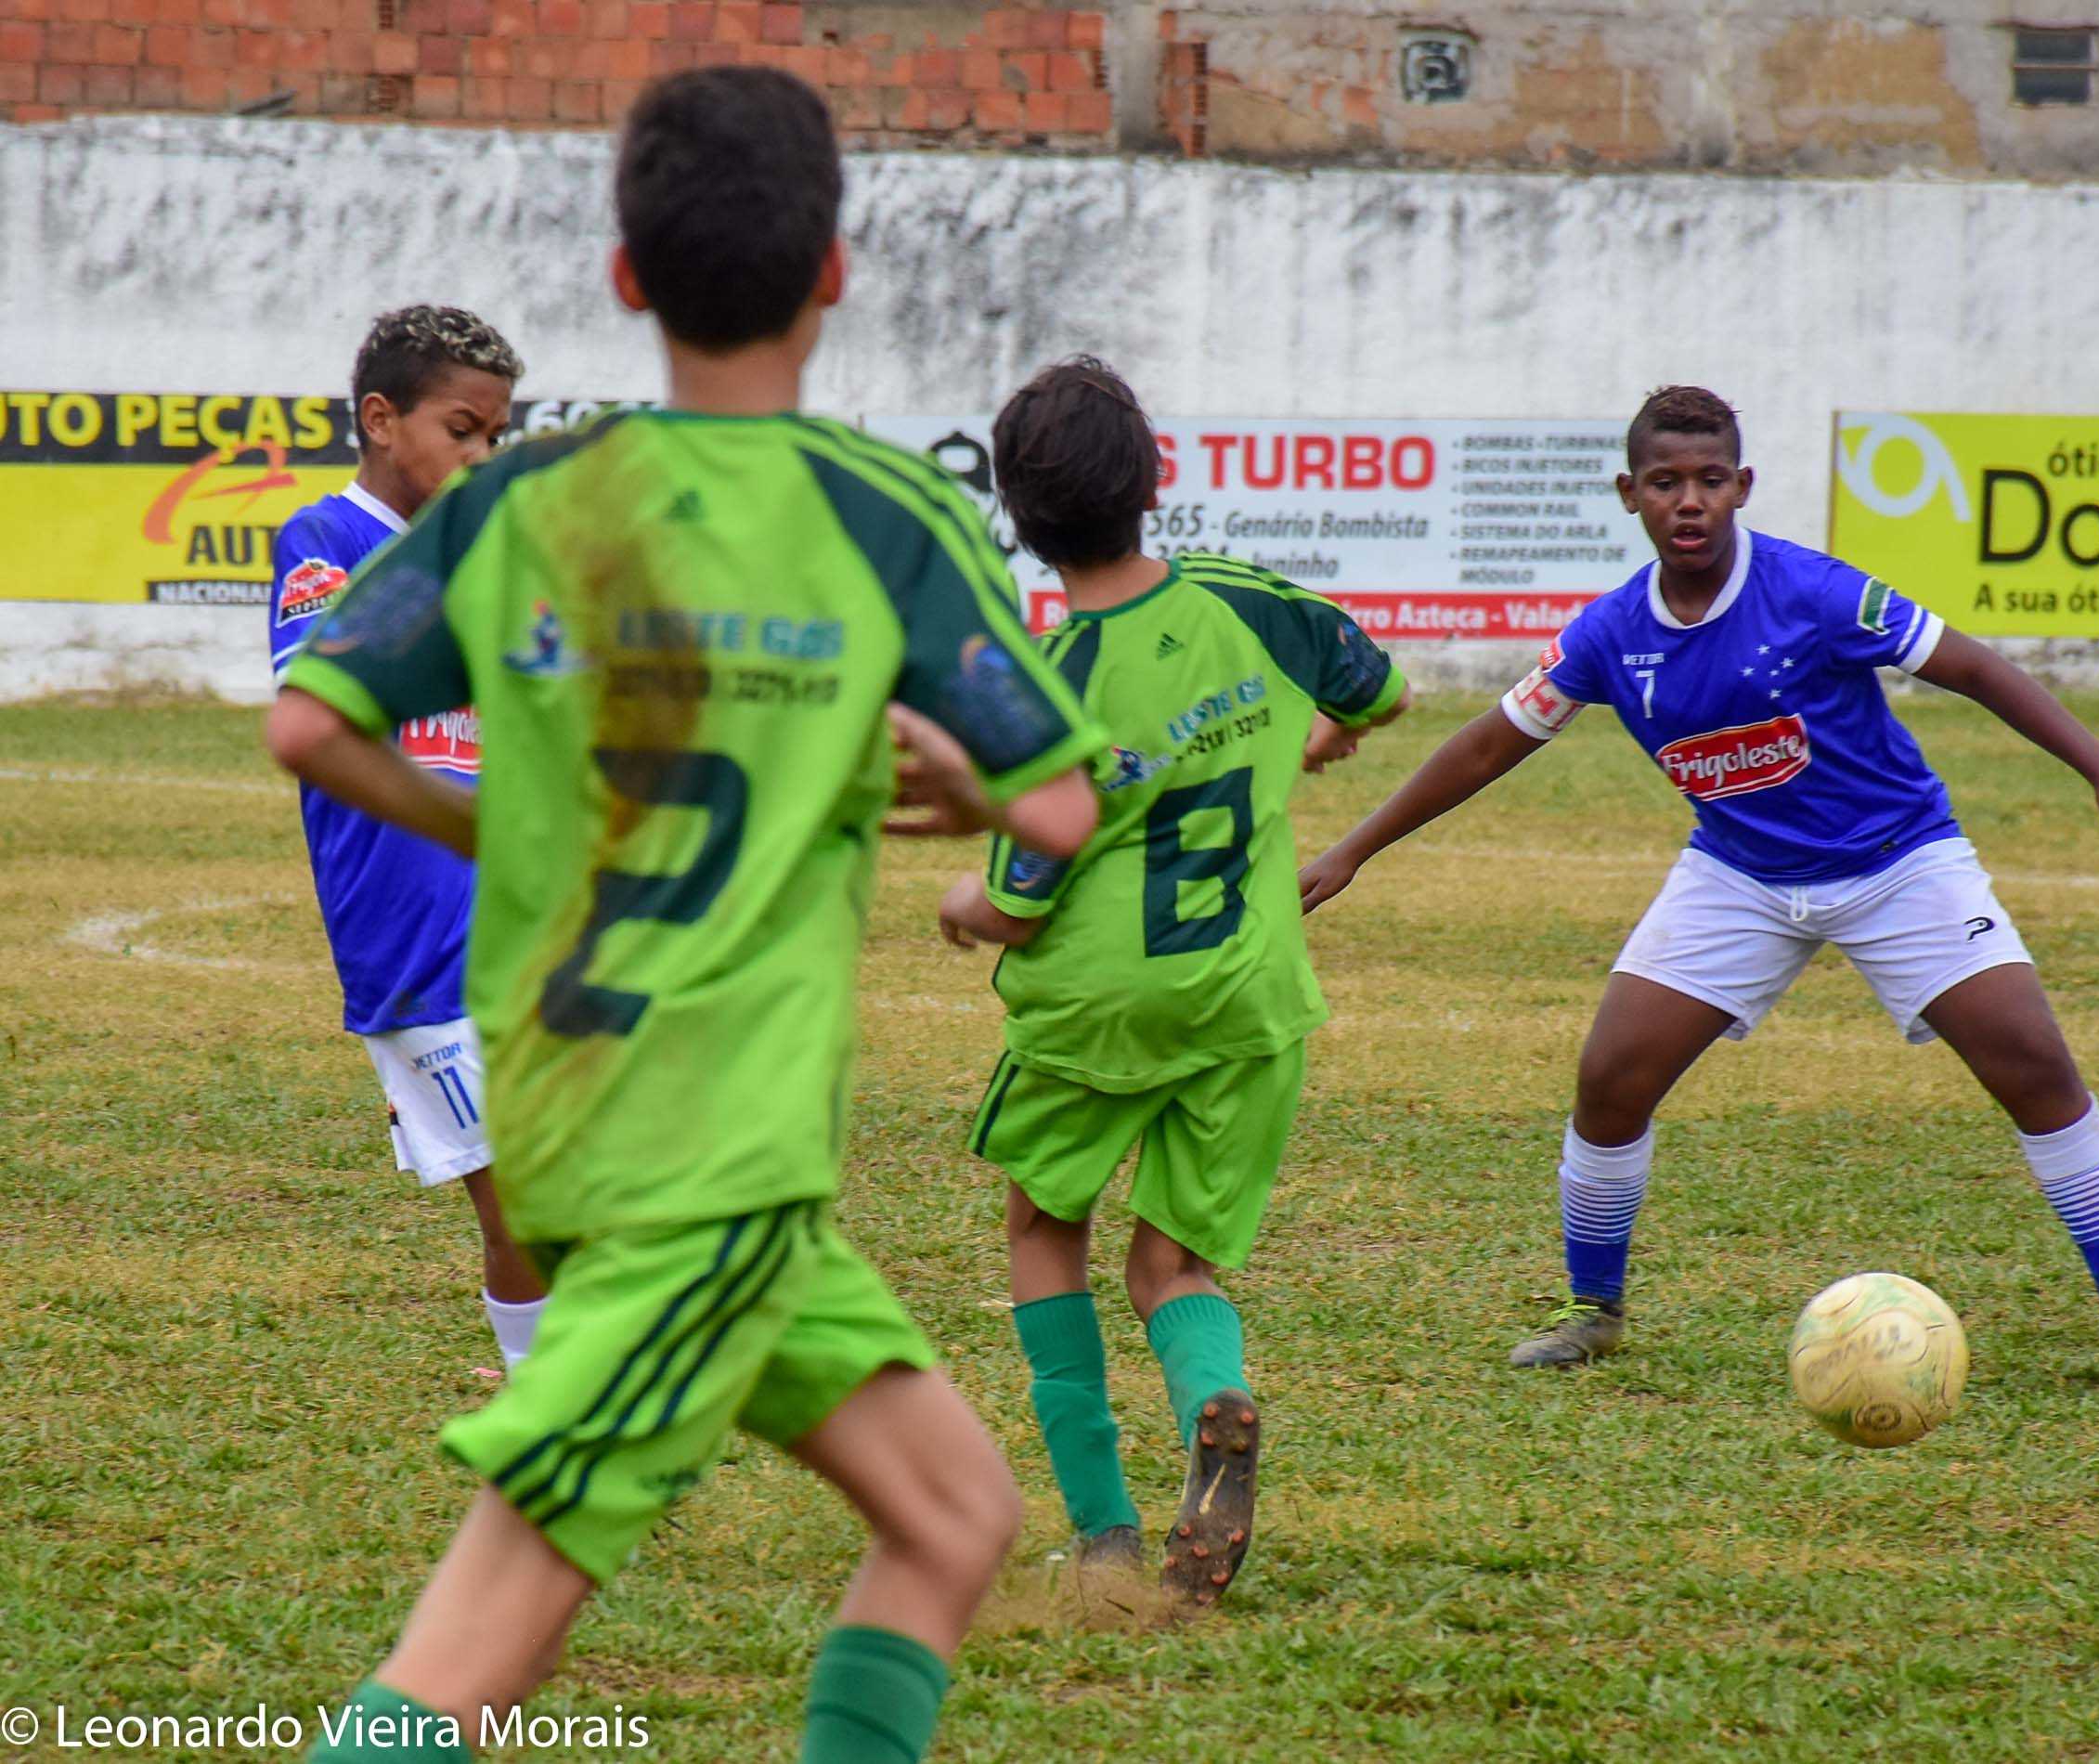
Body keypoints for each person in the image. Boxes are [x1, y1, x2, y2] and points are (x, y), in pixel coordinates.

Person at [266, 68, 1107, 1763]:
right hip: (698, 1149)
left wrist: (492, 821)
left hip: (624, 1115)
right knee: (468, 1658)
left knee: (953, 1517)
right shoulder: (885, 514)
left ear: (626, 278)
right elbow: (1058, 807)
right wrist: (925, 771)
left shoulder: (520, 502)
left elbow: (308, 722)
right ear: (838, 273)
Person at [1302, 385, 2099, 1382]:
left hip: (1898, 861)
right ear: (1628, 495)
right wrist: (1354, 849)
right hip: (1739, 875)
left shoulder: (1815, 592)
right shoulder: (1609, 635)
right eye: (1664, 483)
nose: (1687, 501)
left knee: (2036, 1067)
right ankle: (1591, 1308)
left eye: (1707, 480)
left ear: (1742, 487)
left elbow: (1974, 667)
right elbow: (1487, 746)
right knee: (1611, 1080)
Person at [941, 357, 1408, 1607]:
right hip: (1245, 999)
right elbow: (1376, 689)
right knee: (1173, 1270)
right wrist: (1309, 735)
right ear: (1155, 474)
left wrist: (954, 908)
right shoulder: (1250, 602)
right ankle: (1213, 1397)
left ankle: (1100, 1537)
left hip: (1096, 1010)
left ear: (1019, 520)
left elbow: (1016, 898)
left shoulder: (1050, 686)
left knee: (1046, 1230)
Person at [268, 305, 548, 1368]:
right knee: (516, 1194)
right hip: (414, 934)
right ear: (381, 420)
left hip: (520, 920)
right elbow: (321, 718)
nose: (482, 456)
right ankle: (550, 1429)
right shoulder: (327, 543)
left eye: (496, 437)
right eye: (462, 429)